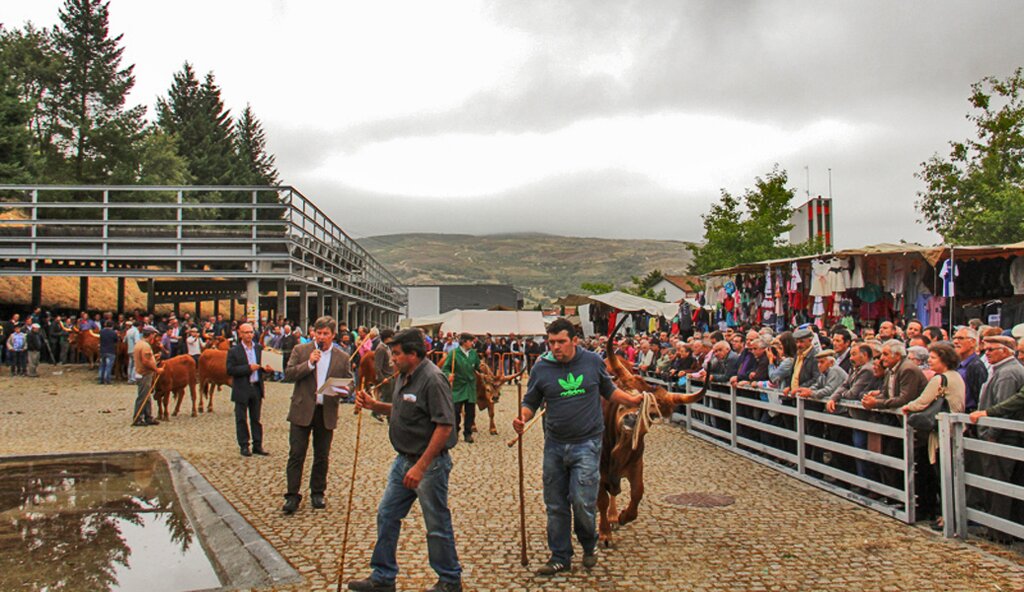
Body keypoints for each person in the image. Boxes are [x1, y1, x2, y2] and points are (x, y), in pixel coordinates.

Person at [513, 318, 644, 575]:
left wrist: (630, 398)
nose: (555, 347)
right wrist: (523, 417)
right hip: (554, 444)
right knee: (555, 504)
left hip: (587, 443)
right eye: (551, 342)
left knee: (583, 502)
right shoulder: (542, 368)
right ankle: (560, 555)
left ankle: (588, 543)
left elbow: (608, 390)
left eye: (561, 342)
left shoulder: (592, 362)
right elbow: (531, 400)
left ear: (574, 340)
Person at [350, 329, 463, 592]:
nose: (392, 359)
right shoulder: (404, 375)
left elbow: (445, 425)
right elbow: (403, 408)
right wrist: (374, 406)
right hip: (403, 459)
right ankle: (383, 576)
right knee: (387, 514)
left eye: (397, 354)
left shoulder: (433, 379)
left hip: (428, 465)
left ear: (414, 354)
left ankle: (449, 579)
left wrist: (421, 466)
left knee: (436, 523)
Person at [282, 316, 352, 514]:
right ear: (314, 333)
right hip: (302, 409)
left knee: (322, 455)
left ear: (333, 335)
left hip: (325, 411)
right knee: (296, 454)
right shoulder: (301, 350)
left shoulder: (342, 356)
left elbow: (349, 381)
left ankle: (317, 492)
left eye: (325, 334)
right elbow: (288, 373)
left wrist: (343, 389)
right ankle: (292, 495)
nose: (321, 337)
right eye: (318, 333)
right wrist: (310, 364)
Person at [901, 342, 965, 522]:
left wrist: (907, 407)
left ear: (944, 359)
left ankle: (947, 517)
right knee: (949, 473)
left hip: (941, 432)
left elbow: (922, 401)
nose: (929, 361)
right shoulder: (957, 377)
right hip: (954, 429)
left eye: (933, 357)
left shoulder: (940, 379)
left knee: (941, 474)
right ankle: (948, 515)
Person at [227, 323, 273, 457]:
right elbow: (230, 370)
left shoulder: (258, 349)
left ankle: (257, 445)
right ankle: (244, 445)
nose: (249, 335)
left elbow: (262, 365)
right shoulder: (234, 351)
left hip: (256, 387)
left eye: (251, 332)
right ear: (240, 334)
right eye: (246, 332)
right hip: (242, 388)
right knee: (241, 418)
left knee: (256, 418)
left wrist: (266, 369)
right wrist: (248, 368)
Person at [438, 333, 481, 443]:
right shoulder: (453, 354)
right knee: (456, 411)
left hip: (470, 386)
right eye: (471, 341)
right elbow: (445, 368)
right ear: (464, 342)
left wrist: (484, 371)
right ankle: (454, 432)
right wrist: (448, 375)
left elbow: (478, 366)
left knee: (470, 412)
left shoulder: (473, 354)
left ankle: (468, 433)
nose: (472, 343)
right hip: (458, 386)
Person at [131, 326, 163, 427]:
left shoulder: (139, 344)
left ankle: (148, 416)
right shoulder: (145, 346)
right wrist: (156, 369)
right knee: (143, 396)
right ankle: (138, 418)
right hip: (145, 373)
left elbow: (146, 358)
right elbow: (145, 361)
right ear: (150, 334)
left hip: (142, 373)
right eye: (154, 334)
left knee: (147, 395)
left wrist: (154, 357)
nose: (154, 337)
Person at [953, 327, 987, 412]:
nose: (955, 342)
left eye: (960, 338)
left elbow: (980, 397)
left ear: (973, 342)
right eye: (954, 338)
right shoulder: (958, 364)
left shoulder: (976, 366)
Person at [98, 321, 118, 385]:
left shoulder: (101, 332)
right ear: (112, 326)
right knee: (108, 366)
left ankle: (101, 379)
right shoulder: (113, 333)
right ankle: (107, 379)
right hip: (110, 350)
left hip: (102, 351)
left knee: (102, 365)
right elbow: (116, 341)